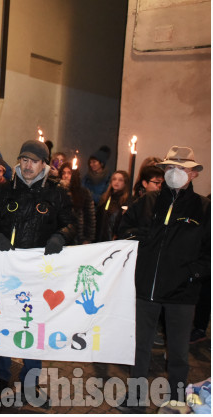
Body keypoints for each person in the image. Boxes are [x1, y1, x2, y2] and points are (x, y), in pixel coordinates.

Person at [0, 139, 75, 406]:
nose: (27, 165)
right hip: (5, 269)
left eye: (33, 161)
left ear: (43, 164)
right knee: (1, 322)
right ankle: (1, 376)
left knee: (33, 326)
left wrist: (60, 236)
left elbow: (71, 225)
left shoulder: (57, 193)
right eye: (24, 159)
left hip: (38, 273)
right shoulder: (5, 190)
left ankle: (30, 383)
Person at [118, 146, 210, 411]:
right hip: (146, 287)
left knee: (179, 353)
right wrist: (140, 236)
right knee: (139, 348)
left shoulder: (203, 208)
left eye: (181, 168)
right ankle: (135, 397)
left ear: (193, 173)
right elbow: (123, 231)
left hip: (182, 293)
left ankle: (177, 398)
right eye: (170, 167)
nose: (174, 173)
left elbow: (209, 252)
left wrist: (193, 274)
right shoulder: (147, 202)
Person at [59, 162, 95, 244]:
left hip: (78, 238)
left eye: (69, 173)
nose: (66, 176)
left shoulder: (83, 192)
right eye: (63, 173)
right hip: (60, 237)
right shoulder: (57, 191)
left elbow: (90, 218)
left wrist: (88, 238)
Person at [95, 170, 132, 242]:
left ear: (125, 183)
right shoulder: (105, 198)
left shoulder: (127, 201)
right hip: (100, 238)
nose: (116, 182)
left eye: (120, 180)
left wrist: (117, 235)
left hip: (114, 240)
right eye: (114, 179)